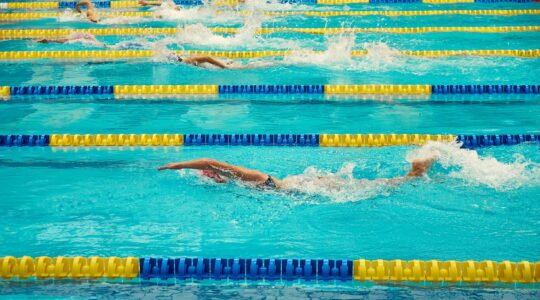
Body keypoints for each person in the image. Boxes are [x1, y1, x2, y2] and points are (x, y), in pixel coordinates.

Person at [158, 157, 435, 190]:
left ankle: (414, 174)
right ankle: (412, 174)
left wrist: (177, 165)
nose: (211, 177)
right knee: (364, 186)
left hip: (305, 188)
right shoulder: (237, 184)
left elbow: (209, 160)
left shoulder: (249, 176)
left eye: (208, 175)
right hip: (302, 187)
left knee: (371, 189)